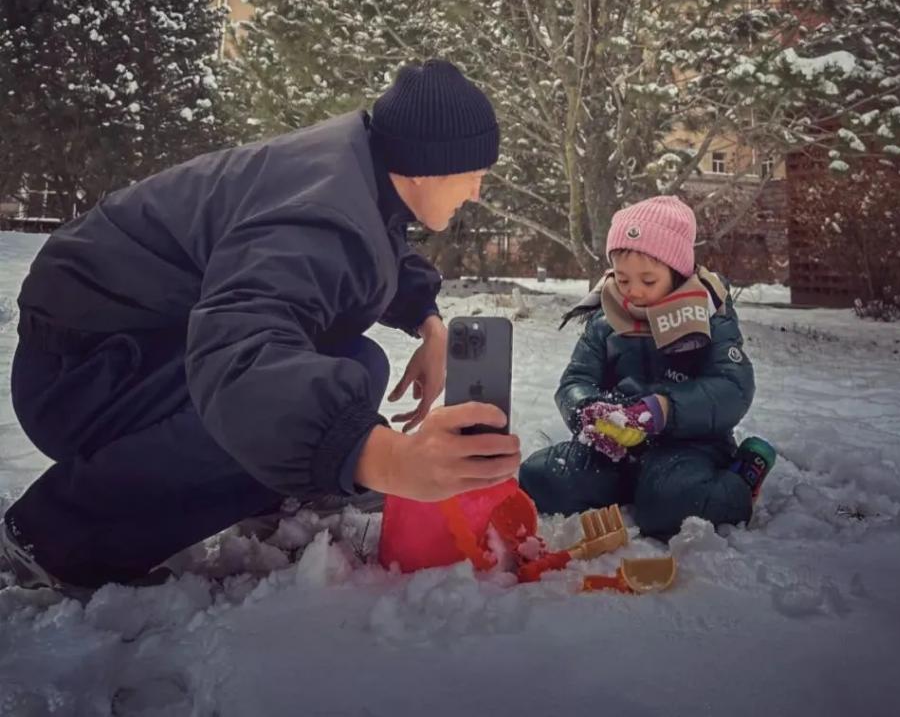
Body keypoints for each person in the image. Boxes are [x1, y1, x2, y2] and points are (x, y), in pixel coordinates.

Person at [0, 59, 520, 597]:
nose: (477, 191)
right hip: (82, 374)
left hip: (128, 344)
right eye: (474, 172)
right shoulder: (322, 210)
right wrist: (385, 458)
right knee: (269, 403)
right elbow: (240, 358)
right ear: (425, 165)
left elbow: (372, 249)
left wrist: (427, 320)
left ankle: (276, 488)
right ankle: (56, 536)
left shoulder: (356, 169)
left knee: (356, 368)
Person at [519, 196, 776, 540]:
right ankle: (633, 487)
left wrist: (665, 409)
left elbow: (733, 387)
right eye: (623, 280)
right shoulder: (606, 318)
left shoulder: (709, 314)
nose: (633, 292)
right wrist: (588, 410)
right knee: (540, 477)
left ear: (676, 273)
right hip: (618, 447)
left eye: (648, 280)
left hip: (690, 444)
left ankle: (738, 481)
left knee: (669, 509)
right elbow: (576, 380)